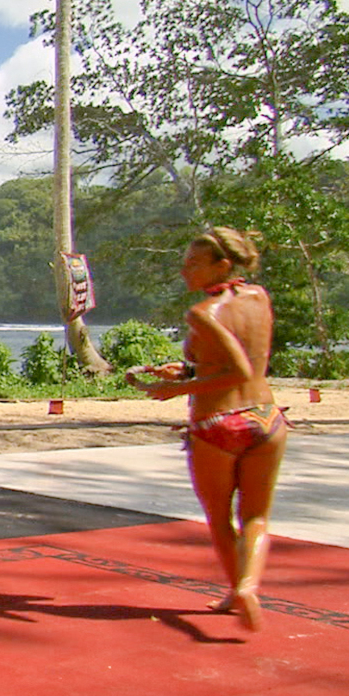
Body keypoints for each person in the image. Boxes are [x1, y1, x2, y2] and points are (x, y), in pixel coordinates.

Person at [127, 227, 285, 632]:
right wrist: (186, 371)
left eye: (193, 263)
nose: (184, 271)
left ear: (223, 265)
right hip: (266, 418)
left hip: (219, 424)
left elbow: (236, 371)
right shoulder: (260, 298)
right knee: (256, 517)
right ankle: (246, 587)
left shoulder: (203, 313)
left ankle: (241, 589)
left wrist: (173, 389)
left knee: (218, 517)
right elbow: (244, 363)